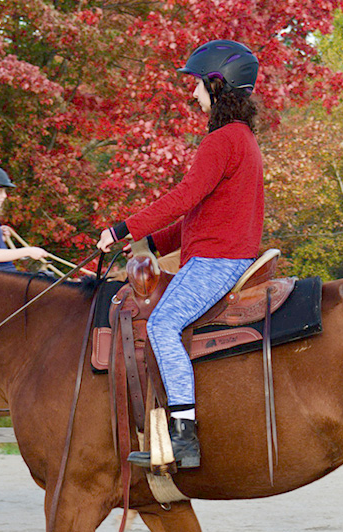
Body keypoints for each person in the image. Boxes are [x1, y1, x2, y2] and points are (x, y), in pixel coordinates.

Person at [97, 39, 264, 470]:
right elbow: (203, 214)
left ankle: (184, 434)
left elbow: (185, 196)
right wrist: (152, 243)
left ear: (216, 85)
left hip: (217, 263)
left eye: (197, 85)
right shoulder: (241, 138)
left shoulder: (221, 140)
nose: (192, 94)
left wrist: (123, 229)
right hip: (222, 254)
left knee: (163, 325)